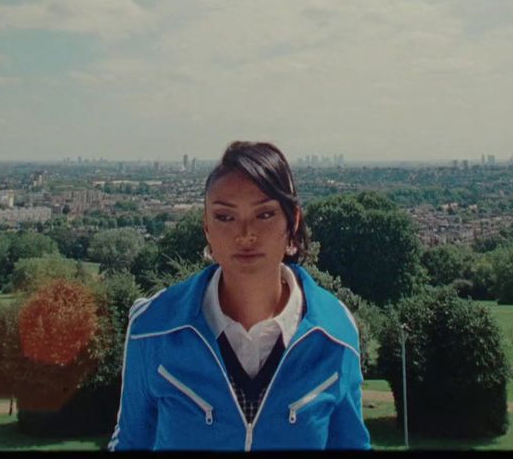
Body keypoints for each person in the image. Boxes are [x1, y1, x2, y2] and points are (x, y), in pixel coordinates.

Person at [109, 141, 371, 451]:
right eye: (225, 217)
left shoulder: (335, 331)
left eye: (264, 214)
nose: (245, 233)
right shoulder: (153, 326)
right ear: (206, 227)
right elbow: (130, 442)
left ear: (293, 222)